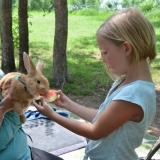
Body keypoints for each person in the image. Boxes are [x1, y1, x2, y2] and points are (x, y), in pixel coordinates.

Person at [32, 7, 156, 160]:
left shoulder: (134, 93)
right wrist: (68, 104)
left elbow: (95, 131)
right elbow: (104, 118)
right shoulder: (127, 82)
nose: (103, 59)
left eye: (105, 52)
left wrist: (52, 115)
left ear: (126, 48)